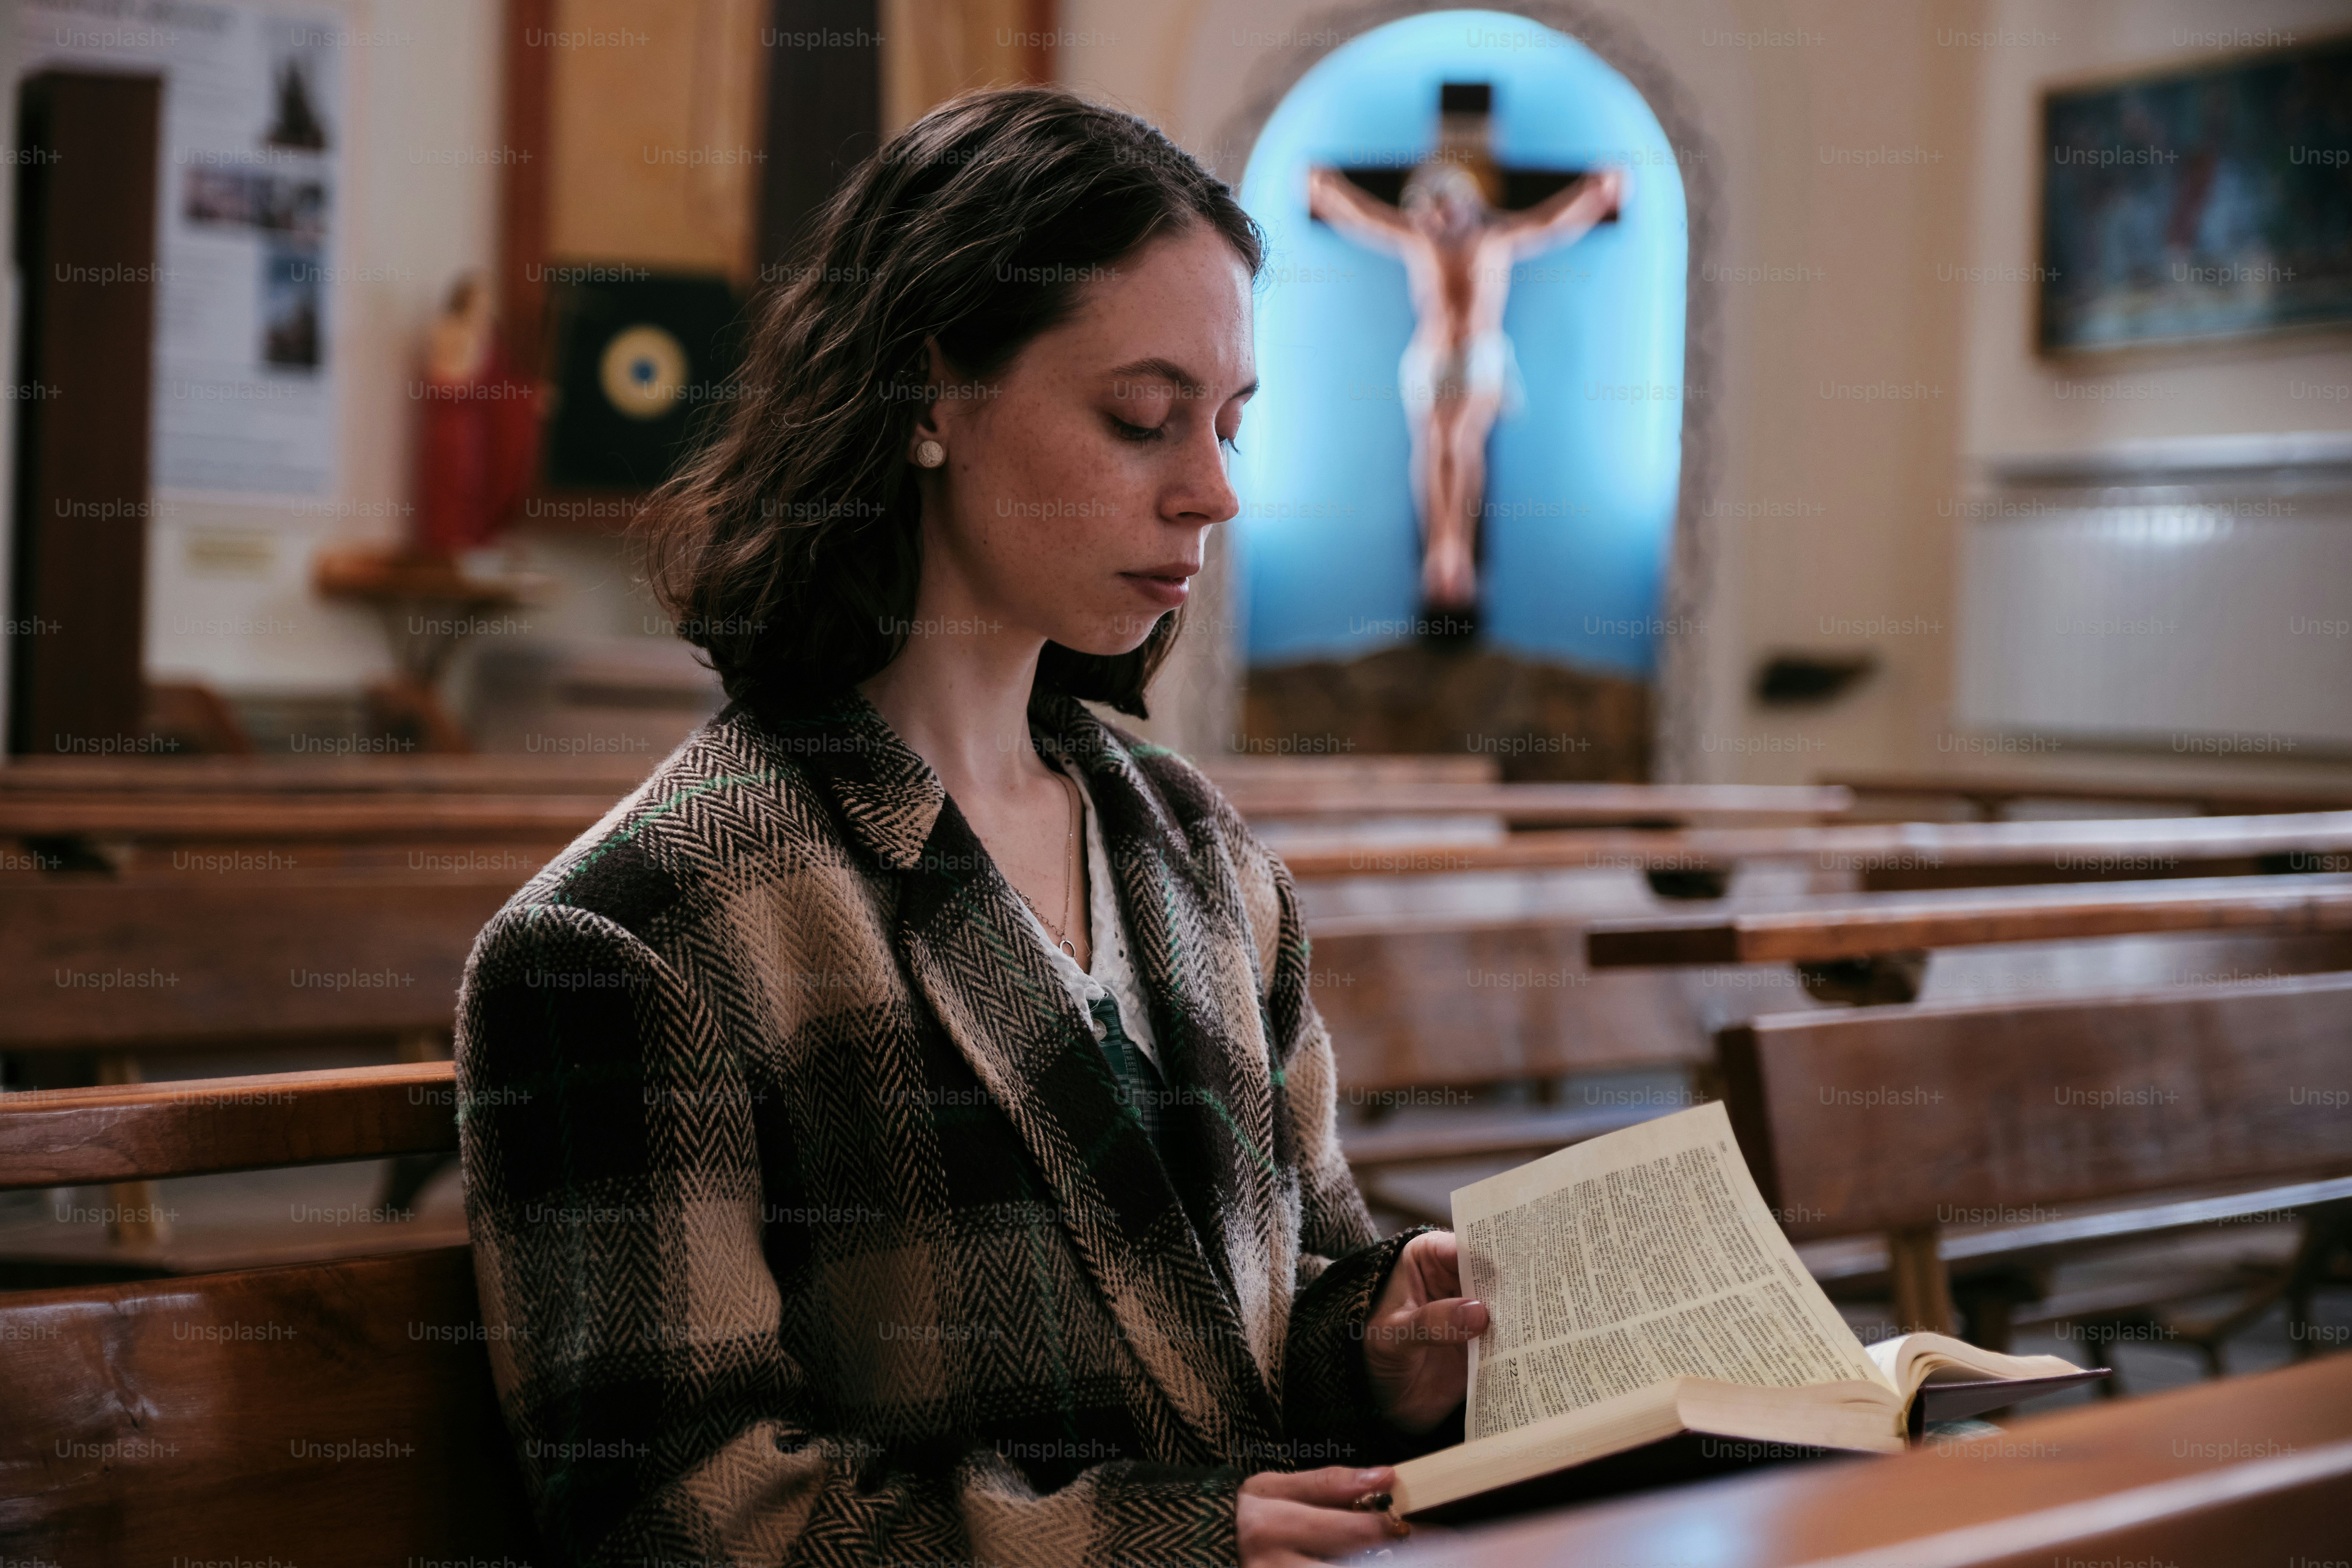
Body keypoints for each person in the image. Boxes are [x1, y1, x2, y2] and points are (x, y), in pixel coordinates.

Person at [457, 85, 1487, 1568]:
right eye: (1140, 419)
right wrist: (1168, 1543)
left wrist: (1379, 1340)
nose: (1212, 491)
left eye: (1227, 423)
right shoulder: (636, 932)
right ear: (929, 394)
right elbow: (672, 1513)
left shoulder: (1201, 854)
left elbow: (1278, 1316)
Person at [1308, 157, 1623, 610]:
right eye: (1430, 210)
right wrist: (1328, 194)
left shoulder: (1495, 241)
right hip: (1431, 356)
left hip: (1479, 356)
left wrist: (1593, 198)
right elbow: (1367, 221)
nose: (1440, 218)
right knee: (1432, 447)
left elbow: (1549, 226)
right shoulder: (1419, 241)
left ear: (1466, 203)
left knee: (1461, 443)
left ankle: (1456, 548)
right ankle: (1437, 548)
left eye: (1446, 206)